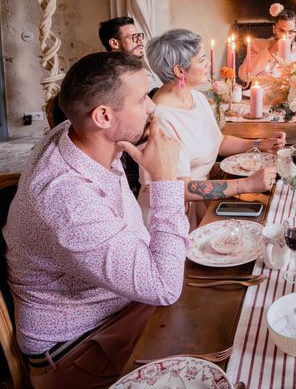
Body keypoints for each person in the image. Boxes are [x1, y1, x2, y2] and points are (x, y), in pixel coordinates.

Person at [3, 52, 189, 388]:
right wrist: (165, 179)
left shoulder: (80, 133)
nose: (153, 107)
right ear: (103, 115)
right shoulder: (67, 200)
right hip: (78, 347)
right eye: (142, 99)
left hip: (122, 307)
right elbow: (163, 288)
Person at [143, 28, 283, 226]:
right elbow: (179, 189)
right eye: (201, 60)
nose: (209, 63)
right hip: (175, 215)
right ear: (179, 71)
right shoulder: (162, 119)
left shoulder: (196, 97)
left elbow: (220, 141)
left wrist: (261, 144)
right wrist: (246, 184)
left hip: (204, 197)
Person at [238, 6, 296, 82]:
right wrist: (270, 51)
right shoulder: (256, 45)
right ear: (274, 29)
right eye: (282, 31)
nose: (286, 36)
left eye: (291, 31)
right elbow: (244, 76)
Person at [99, 16, 162, 89]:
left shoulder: (137, 69)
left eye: (139, 35)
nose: (140, 40)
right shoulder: (110, 78)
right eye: (133, 37)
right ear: (114, 43)